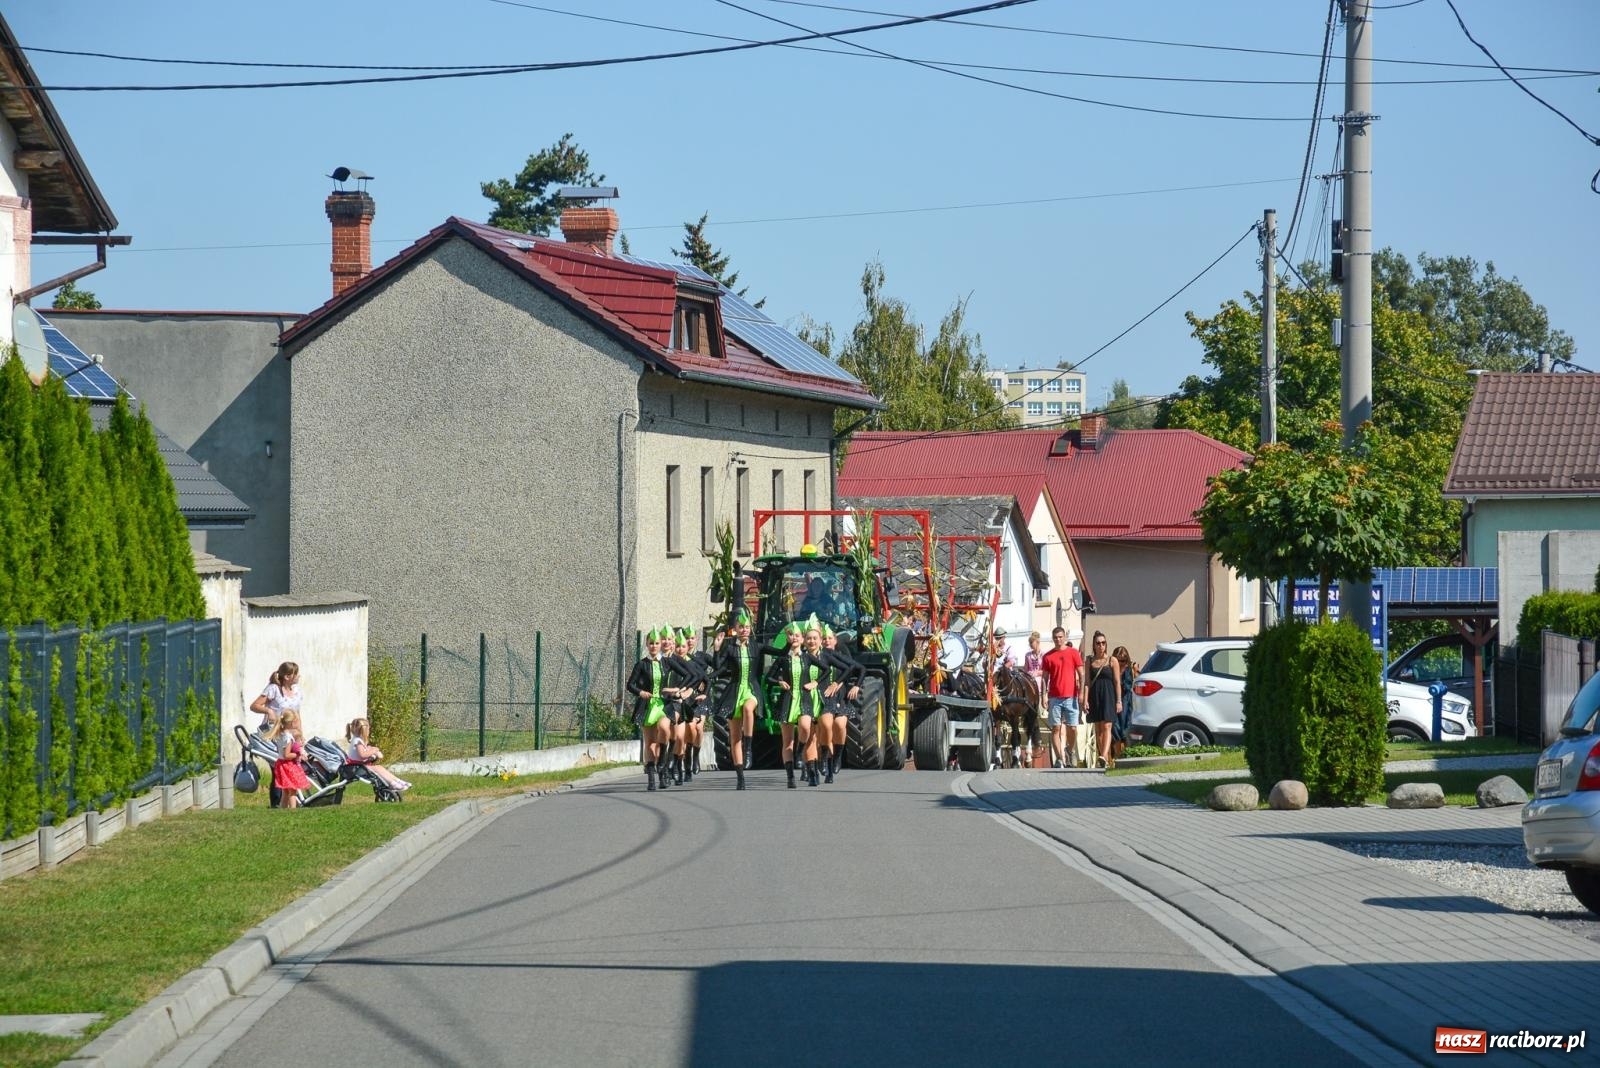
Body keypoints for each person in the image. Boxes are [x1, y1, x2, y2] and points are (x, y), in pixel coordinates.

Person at [626, 628, 693, 791]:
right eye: (651, 643)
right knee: (649, 744)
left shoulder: (667, 662)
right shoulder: (642, 664)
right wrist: (641, 692)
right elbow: (630, 685)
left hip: (664, 704)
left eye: (657, 643)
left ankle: (662, 764)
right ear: (647, 645)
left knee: (664, 728)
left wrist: (677, 689)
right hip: (647, 706)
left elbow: (689, 675)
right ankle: (651, 778)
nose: (654, 646)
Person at [765, 618, 823, 788]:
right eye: (791, 635)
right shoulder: (783, 658)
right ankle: (791, 776)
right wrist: (779, 682)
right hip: (788, 699)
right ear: (788, 638)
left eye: (798, 635)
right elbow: (769, 677)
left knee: (806, 728)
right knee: (787, 740)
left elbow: (825, 669)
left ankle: (801, 755)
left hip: (804, 699)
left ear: (802, 638)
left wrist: (816, 682)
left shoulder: (807, 657)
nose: (795, 638)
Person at [713, 610, 761, 790]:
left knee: (749, 709)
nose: (744, 630)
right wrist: (717, 649)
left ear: (750, 629)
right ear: (735, 629)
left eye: (747, 627)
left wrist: (791, 642)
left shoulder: (756, 646)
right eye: (741, 627)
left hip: (751, 690)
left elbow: (778, 652)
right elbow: (718, 667)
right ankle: (740, 777)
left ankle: (748, 748)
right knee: (734, 737)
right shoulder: (730, 648)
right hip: (734, 692)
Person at [249, 662, 301, 808]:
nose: (298, 676)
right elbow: (255, 705)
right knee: (278, 767)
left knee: (292, 767)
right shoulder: (274, 689)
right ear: (287, 676)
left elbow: (297, 713)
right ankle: (276, 803)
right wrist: (269, 711)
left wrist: (300, 734)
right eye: (295, 674)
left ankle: (289, 801)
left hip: (290, 735)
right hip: (275, 735)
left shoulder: (296, 691)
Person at [818, 624, 864, 783]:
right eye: (824, 638)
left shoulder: (840, 656)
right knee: (826, 728)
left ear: (835, 640)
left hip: (840, 698)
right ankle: (826, 763)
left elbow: (859, 668)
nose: (826, 641)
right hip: (824, 697)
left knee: (839, 726)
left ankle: (837, 756)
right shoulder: (817, 656)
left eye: (829, 638)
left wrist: (856, 685)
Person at [1040, 627, 1084, 769]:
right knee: (1056, 728)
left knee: (1072, 728)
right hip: (1054, 697)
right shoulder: (1048, 656)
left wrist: (1081, 692)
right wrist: (1043, 696)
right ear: (1053, 639)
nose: (1058, 640)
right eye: (1055, 637)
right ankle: (1059, 758)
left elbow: (1082, 674)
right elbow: (1044, 678)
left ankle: (1069, 750)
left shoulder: (1073, 653)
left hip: (1071, 696)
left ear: (1064, 637)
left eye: (1060, 637)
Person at [1084, 631, 1122, 770]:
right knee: (1098, 729)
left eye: (1103, 643)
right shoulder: (1089, 661)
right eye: (1098, 643)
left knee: (1107, 727)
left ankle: (1103, 754)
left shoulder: (1112, 660)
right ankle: (1104, 759)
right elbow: (1087, 682)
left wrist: (1119, 701)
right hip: (1095, 696)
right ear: (1094, 645)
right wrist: (1085, 700)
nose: (1101, 646)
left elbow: (1117, 682)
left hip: (1109, 695)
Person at [345, 717, 412, 792]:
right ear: (364, 730)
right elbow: (363, 755)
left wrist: (370, 749)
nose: (369, 731)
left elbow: (362, 753)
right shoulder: (357, 741)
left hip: (359, 767)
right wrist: (373, 751)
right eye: (368, 729)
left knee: (379, 767)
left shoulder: (357, 740)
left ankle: (397, 781)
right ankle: (393, 784)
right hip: (356, 768)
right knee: (377, 769)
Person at [264, 709, 311, 808]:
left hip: (280, 764)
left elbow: (281, 752)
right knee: (292, 790)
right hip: (288, 765)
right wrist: (297, 755)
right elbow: (287, 755)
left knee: (285, 790)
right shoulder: (288, 737)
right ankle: (293, 810)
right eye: (295, 721)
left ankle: (283, 808)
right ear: (290, 722)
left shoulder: (280, 734)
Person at [1111, 645, 1139, 762]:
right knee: (1116, 730)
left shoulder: (1131, 669)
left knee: (1126, 730)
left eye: (1123, 660)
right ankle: (1117, 758)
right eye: (1118, 660)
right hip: (1114, 701)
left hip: (1127, 702)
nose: (1121, 663)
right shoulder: (1111, 668)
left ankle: (1127, 758)